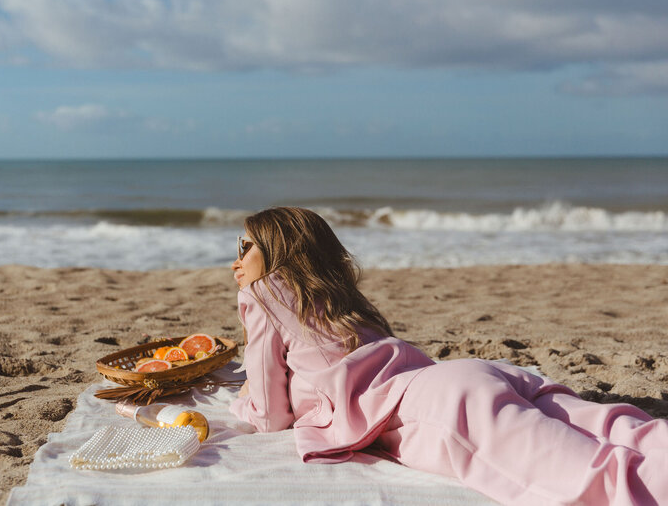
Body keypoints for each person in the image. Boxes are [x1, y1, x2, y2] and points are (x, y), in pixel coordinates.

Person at [228, 207, 668, 506]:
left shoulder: (261, 293)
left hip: (433, 404)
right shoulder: (339, 301)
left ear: (278, 251)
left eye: (245, 246)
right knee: (624, 430)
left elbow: (270, 418)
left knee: (598, 482)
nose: (237, 260)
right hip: (467, 377)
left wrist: (243, 395)